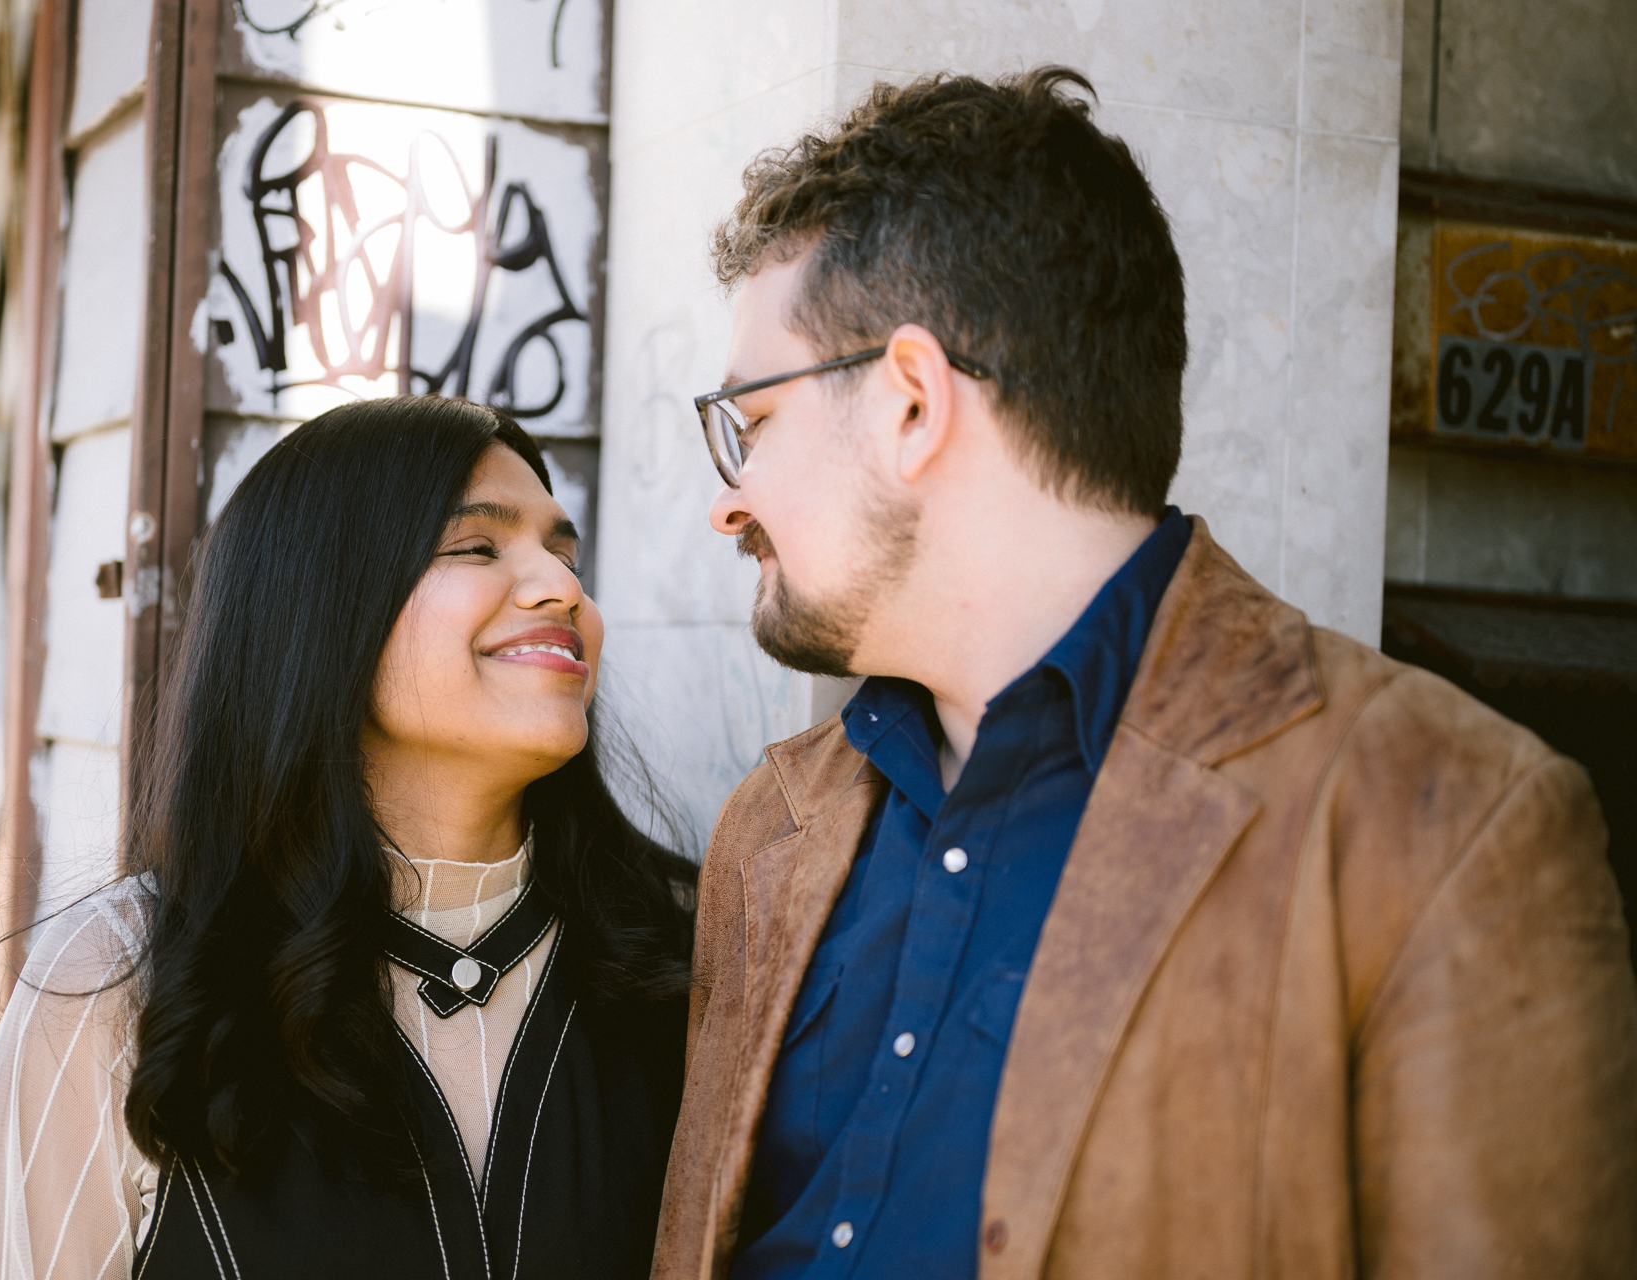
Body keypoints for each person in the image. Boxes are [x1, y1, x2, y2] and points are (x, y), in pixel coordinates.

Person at [654, 68, 1637, 1279]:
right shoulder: (772, 827)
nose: (726, 500)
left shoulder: (1444, 826)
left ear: (913, 400)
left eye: (750, 424)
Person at [0, 398, 694, 1279]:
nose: (565, 589)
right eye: (476, 547)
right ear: (318, 610)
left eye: (563, 553)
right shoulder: (117, 985)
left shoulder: (690, 961)